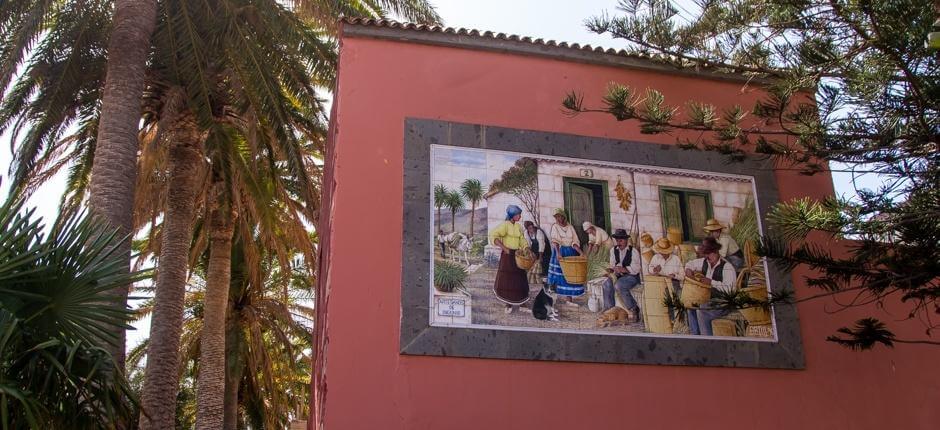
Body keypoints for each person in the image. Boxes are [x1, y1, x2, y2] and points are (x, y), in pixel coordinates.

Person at [683, 237, 737, 336]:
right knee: (690, 305)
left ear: (716, 251)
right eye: (706, 254)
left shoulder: (727, 267)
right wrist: (688, 270)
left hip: (724, 303)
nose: (707, 257)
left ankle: (706, 339)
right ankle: (695, 336)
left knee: (702, 310)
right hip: (707, 300)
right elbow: (689, 264)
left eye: (709, 254)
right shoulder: (705, 261)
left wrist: (711, 282)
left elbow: (730, 290)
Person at [489, 205, 530, 313]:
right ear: (512, 215)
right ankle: (508, 304)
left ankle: (522, 303)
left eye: (520, 214)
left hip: (517, 255)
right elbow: (493, 235)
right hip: (507, 256)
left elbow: (522, 239)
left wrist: (526, 248)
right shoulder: (505, 225)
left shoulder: (518, 227)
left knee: (520, 279)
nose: (520, 216)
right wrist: (504, 248)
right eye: (518, 214)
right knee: (508, 279)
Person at [602, 229, 643, 321]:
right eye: (617, 240)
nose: (619, 242)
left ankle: (633, 308)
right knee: (606, 284)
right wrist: (610, 270)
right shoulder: (613, 250)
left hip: (632, 276)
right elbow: (612, 264)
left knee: (619, 285)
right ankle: (610, 310)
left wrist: (624, 269)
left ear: (626, 240)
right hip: (619, 275)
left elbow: (636, 269)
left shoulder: (633, 251)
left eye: (621, 240)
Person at [547, 208, 584, 303]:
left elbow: (575, 242)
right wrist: (558, 254)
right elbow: (555, 242)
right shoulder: (555, 227)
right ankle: (552, 299)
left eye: (559, 217)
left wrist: (581, 252)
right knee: (557, 276)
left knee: (569, 276)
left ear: (564, 217)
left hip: (570, 253)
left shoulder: (570, 227)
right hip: (559, 251)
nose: (558, 219)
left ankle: (569, 299)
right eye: (556, 217)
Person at [647, 237, 683, 320]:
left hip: (673, 282)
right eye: (661, 251)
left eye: (664, 252)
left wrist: (674, 276)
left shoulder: (675, 259)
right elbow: (650, 269)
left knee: (668, 294)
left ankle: (672, 319)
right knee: (653, 294)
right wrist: (654, 270)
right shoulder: (656, 257)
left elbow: (682, 275)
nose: (662, 253)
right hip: (659, 282)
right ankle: (658, 318)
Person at [524, 221, 551, 285]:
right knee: (534, 263)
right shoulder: (526, 233)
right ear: (527, 229)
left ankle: (545, 279)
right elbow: (528, 243)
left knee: (544, 263)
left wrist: (540, 256)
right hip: (535, 249)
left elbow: (542, 244)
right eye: (530, 228)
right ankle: (536, 278)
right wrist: (529, 253)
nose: (532, 229)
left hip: (544, 250)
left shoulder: (539, 232)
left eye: (532, 227)